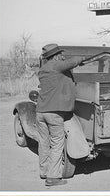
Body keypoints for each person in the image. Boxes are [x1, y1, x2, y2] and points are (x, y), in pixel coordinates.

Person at [36, 43, 84, 187]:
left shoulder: (43, 69)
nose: (62, 56)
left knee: (44, 143)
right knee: (57, 144)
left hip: (40, 112)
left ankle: (44, 171)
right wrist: (82, 59)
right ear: (55, 56)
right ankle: (52, 178)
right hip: (54, 113)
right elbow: (75, 61)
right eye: (60, 54)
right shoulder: (56, 66)